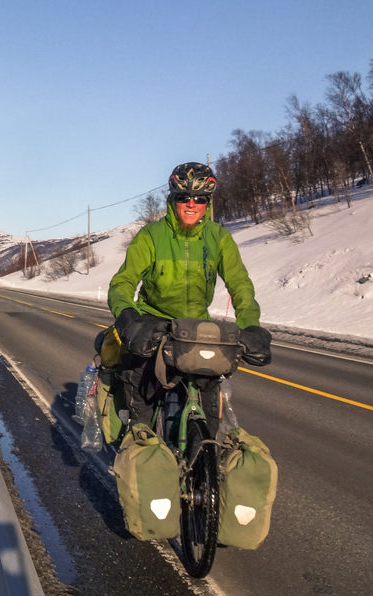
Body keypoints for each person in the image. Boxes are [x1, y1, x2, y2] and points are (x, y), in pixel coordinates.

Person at [106, 162, 272, 431]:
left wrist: (250, 325)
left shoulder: (218, 238)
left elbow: (240, 285)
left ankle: (203, 465)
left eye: (200, 198)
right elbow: (122, 284)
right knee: (141, 418)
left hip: (196, 331)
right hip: (153, 326)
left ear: (208, 203)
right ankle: (139, 452)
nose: (191, 204)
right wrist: (129, 318)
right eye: (184, 197)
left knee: (209, 422)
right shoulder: (151, 236)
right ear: (173, 199)